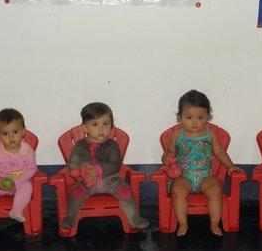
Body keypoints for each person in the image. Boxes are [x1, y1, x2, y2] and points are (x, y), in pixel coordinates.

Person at [161, 90, 241, 237]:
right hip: (184, 176)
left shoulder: (210, 135)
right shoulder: (177, 135)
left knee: (216, 191)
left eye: (200, 117)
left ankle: (214, 223)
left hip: (206, 176)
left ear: (208, 117)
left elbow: (219, 152)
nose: (194, 122)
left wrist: (231, 166)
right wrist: (168, 157)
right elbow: (168, 152)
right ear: (180, 117)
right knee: (177, 191)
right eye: (189, 117)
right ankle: (183, 223)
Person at [62, 102, 149, 230]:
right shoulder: (80, 146)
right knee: (76, 193)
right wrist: (78, 173)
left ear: (111, 126)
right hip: (86, 182)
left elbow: (115, 165)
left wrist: (97, 170)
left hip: (111, 180)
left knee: (125, 191)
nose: (101, 129)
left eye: (105, 124)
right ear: (85, 128)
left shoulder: (112, 145)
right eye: (95, 124)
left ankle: (134, 218)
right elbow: (73, 163)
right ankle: (70, 217)